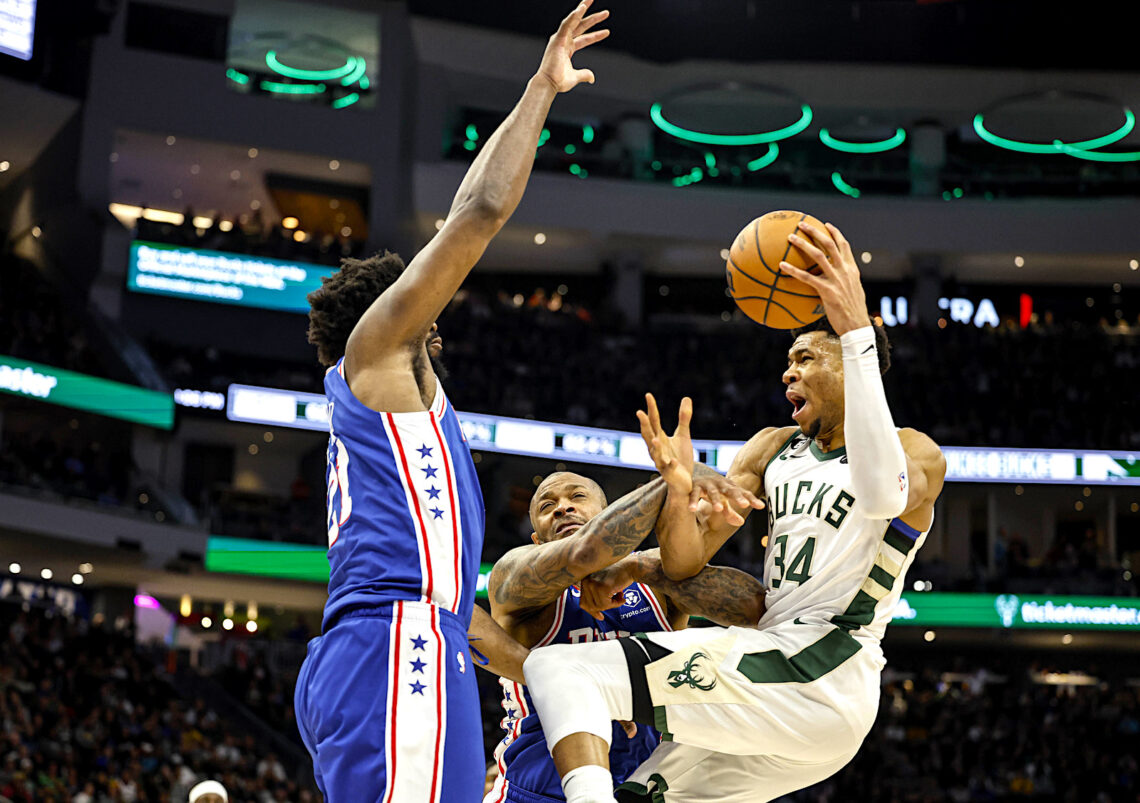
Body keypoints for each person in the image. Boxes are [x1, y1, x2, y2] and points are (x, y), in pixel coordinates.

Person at [292, 4, 611, 801]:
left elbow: (463, 206)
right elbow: (479, 213)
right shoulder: (379, 351)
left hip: (400, 638)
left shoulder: (388, 399)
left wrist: (539, 671)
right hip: (397, 640)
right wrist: (541, 89)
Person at [522, 220, 948, 803]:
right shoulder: (772, 448)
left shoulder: (915, 451)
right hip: (776, 683)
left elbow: (881, 495)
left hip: (826, 669)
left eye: (804, 357)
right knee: (640, 794)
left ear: (853, 365)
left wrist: (855, 329)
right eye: (787, 361)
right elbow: (685, 562)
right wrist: (675, 495)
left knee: (560, 670)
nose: (787, 372)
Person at [484, 469, 767, 803]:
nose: (562, 508)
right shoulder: (516, 577)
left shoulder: (651, 581)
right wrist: (675, 476)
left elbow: (753, 608)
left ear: (607, 514)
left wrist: (637, 566)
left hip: (641, 785)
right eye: (548, 506)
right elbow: (584, 551)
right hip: (536, 788)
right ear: (536, 541)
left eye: (577, 496)